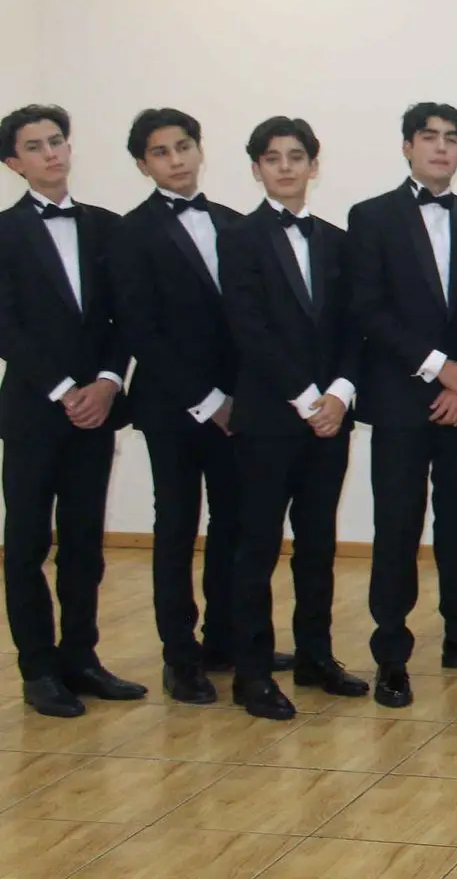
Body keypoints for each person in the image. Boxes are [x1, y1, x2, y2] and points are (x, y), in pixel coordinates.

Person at [111, 108, 267, 705]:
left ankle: (224, 641)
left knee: (235, 524)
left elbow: (250, 321)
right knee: (176, 527)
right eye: (160, 152)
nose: (175, 160)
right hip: (174, 408)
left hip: (238, 407)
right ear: (142, 164)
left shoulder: (234, 223)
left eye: (183, 146)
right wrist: (207, 401)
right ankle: (180, 657)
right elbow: (141, 331)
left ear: (200, 150)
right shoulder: (130, 232)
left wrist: (239, 398)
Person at [347, 102, 457, 710]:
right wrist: (440, 369)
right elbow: (367, 308)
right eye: (429, 137)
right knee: (397, 526)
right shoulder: (371, 217)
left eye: (451, 139)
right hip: (402, 399)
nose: (441, 148)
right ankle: (391, 652)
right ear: (408, 146)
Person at [0, 104, 145, 718]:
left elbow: (124, 318)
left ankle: (81, 658)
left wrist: (108, 383)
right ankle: (38, 669)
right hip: (35, 411)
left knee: (85, 541)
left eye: (56, 141)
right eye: (35, 146)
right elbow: (7, 326)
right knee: (27, 542)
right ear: (14, 163)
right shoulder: (4, 232)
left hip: (96, 408)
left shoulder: (105, 227)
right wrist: (64, 389)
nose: (51, 153)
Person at [222, 116, 368, 719]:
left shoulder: (338, 240)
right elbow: (248, 329)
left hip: (330, 418)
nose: (285, 167)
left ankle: (315, 656)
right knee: (257, 547)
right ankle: (252, 673)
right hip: (269, 419)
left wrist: (339, 393)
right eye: (273, 158)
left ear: (314, 165)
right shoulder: (238, 238)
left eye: (296, 156)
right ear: (257, 168)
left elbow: (355, 326)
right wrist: (308, 399)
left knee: (317, 544)